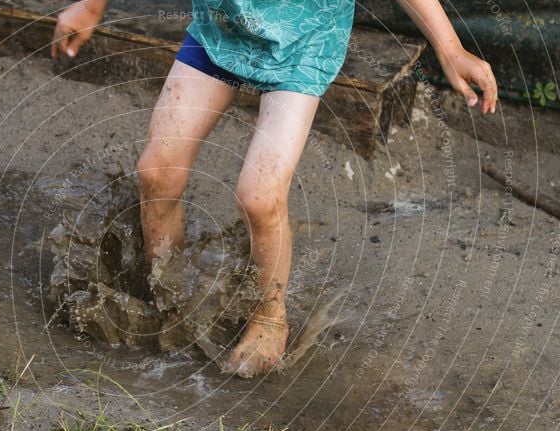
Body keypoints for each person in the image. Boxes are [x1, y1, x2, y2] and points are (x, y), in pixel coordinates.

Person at [51, 0, 497, 378]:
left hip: (302, 43)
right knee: (158, 172)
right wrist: (91, 5)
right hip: (223, 28)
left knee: (259, 197)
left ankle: (269, 314)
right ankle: (169, 289)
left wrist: (450, 47)